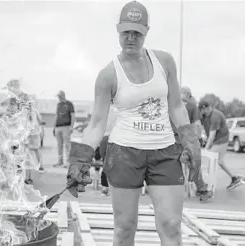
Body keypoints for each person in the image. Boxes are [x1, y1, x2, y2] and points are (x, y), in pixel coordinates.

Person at [66, 2, 201, 246]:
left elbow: (176, 106)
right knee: (125, 227)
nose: (131, 37)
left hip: (164, 151)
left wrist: (190, 139)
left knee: (171, 225)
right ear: (118, 30)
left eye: (137, 32)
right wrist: (80, 158)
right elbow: (97, 123)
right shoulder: (108, 75)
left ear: (146, 31)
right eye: (126, 31)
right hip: (124, 153)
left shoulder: (165, 62)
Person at [199, 100, 244, 190]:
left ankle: (208, 185)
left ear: (207, 108)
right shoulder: (204, 115)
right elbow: (200, 126)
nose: (203, 112)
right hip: (215, 140)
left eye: (204, 110)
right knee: (219, 161)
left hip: (221, 140)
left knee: (211, 158)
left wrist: (206, 148)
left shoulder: (215, 116)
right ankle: (234, 178)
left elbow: (212, 135)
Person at [180, 87, 213, 202]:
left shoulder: (171, 103)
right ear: (189, 95)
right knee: (194, 164)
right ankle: (202, 189)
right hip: (186, 141)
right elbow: (197, 125)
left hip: (169, 141)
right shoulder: (192, 106)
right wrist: (199, 139)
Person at [99, 101, 117, 197]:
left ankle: (104, 188)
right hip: (117, 138)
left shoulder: (103, 110)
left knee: (105, 164)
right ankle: (115, 188)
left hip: (104, 138)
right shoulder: (119, 109)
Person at [53, 90, 75, 168]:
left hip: (66, 127)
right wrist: (54, 127)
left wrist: (72, 127)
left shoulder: (69, 104)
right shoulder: (58, 105)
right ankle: (60, 161)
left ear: (62, 95)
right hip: (58, 127)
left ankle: (68, 162)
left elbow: (72, 116)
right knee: (59, 145)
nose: (58, 98)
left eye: (59, 96)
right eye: (58, 96)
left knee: (67, 145)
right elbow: (56, 116)